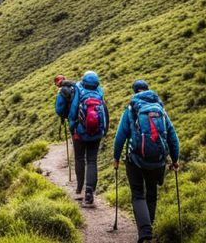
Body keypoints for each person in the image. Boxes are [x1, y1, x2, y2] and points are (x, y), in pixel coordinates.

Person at [113, 80, 180, 243]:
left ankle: (145, 232)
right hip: (158, 161)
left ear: (134, 91)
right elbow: (173, 138)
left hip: (135, 159)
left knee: (138, 195)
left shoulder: (130, 110)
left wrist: (116, 158)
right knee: (151, 194)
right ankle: (150, 226)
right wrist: (175, 159)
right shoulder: (161, 111)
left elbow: (120, 136)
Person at [68, 70, 109, 206]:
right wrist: (104, 129)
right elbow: (105, 111)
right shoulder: (100, 92)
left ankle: (79, 188)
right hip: (96, 133)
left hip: (80, 132)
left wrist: (72, 126)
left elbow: (74, 110)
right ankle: (89, 191)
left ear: (84, 81)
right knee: (92, 161)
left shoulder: (79, 91)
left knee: (79, 158)